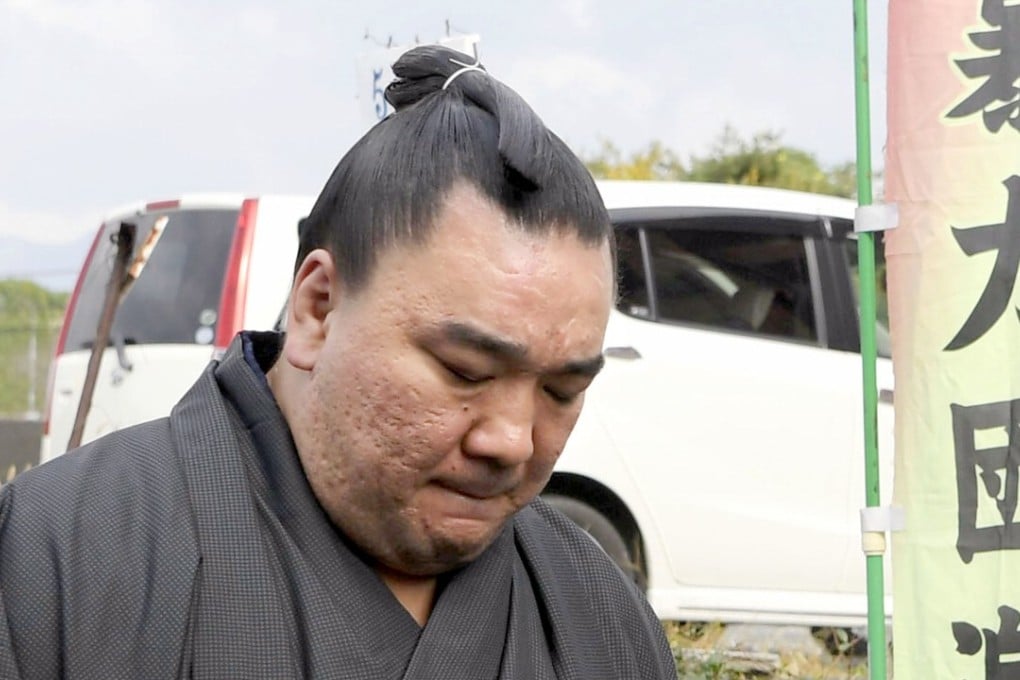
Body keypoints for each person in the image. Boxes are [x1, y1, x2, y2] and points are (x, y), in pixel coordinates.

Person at [0, 46, 676, 679]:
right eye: (465, 371)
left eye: (561, 392)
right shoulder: (55, 560)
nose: (512, 441)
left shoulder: (600, 618)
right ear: (318, 308)